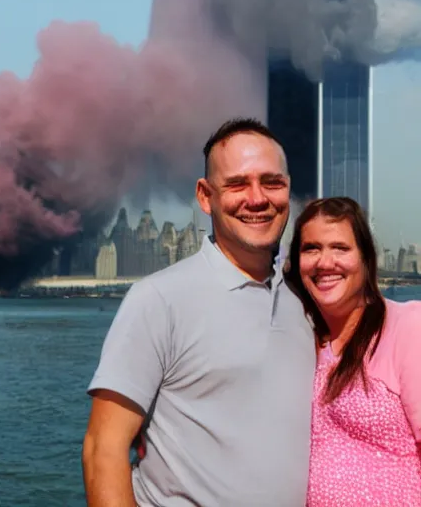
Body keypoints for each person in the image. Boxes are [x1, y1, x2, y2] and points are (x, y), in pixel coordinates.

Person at [82, 118, 316, 507]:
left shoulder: (304, 301)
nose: (257, 198)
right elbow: (102, 449)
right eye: (237, 184)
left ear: (287, 190)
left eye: (271, 182)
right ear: (205, 196)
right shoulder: (157, 300)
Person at [285, 196, 421, 506]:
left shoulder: (407, 327)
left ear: (365, 258)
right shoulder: (300, 340)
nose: (324, 261)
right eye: (311, 248)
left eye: (340, 248)